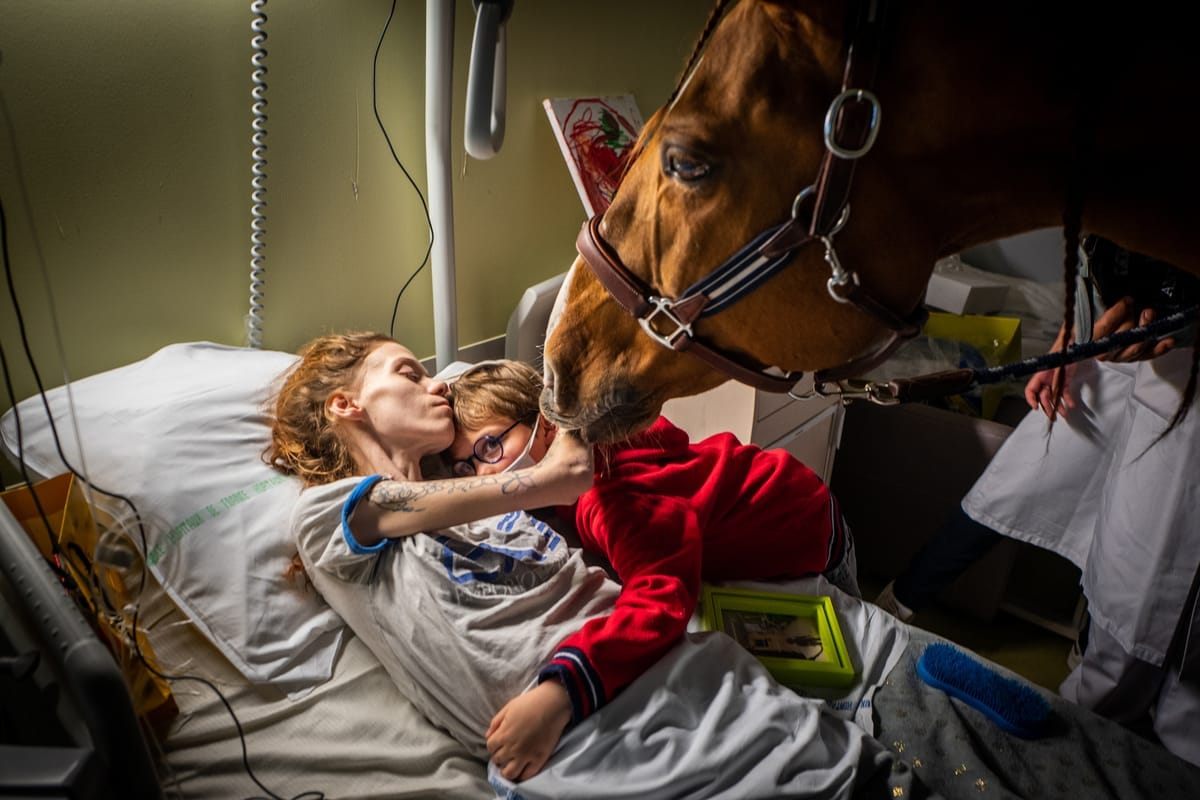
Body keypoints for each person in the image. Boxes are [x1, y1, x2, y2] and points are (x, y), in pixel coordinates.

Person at [266, 331, 918, 796]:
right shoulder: (329, 516)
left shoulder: (532, 499)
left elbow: (598, 512)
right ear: (347, 406)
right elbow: (552, 485)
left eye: (490, 447)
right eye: (408, 372)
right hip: (611, 729)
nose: (435, 381)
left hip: (773, 566)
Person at [444, 359, 859, 777]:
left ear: (547, 426)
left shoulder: (612, 495)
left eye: (489, 447)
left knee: (849, 663)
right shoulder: (596, 450)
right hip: (773, 490)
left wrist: (561, 692)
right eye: (467, 466)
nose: (483, 474)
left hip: (809, 524)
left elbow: (661, 596)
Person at [874, 238, 1200, 767]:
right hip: (1109, 353)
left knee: (1136, 558)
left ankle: (1093, 688)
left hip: (1180, 375)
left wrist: (1182, 332)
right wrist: (1066, 347)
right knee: (1011, 484)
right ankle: (899, 601)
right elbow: (1093, 262)